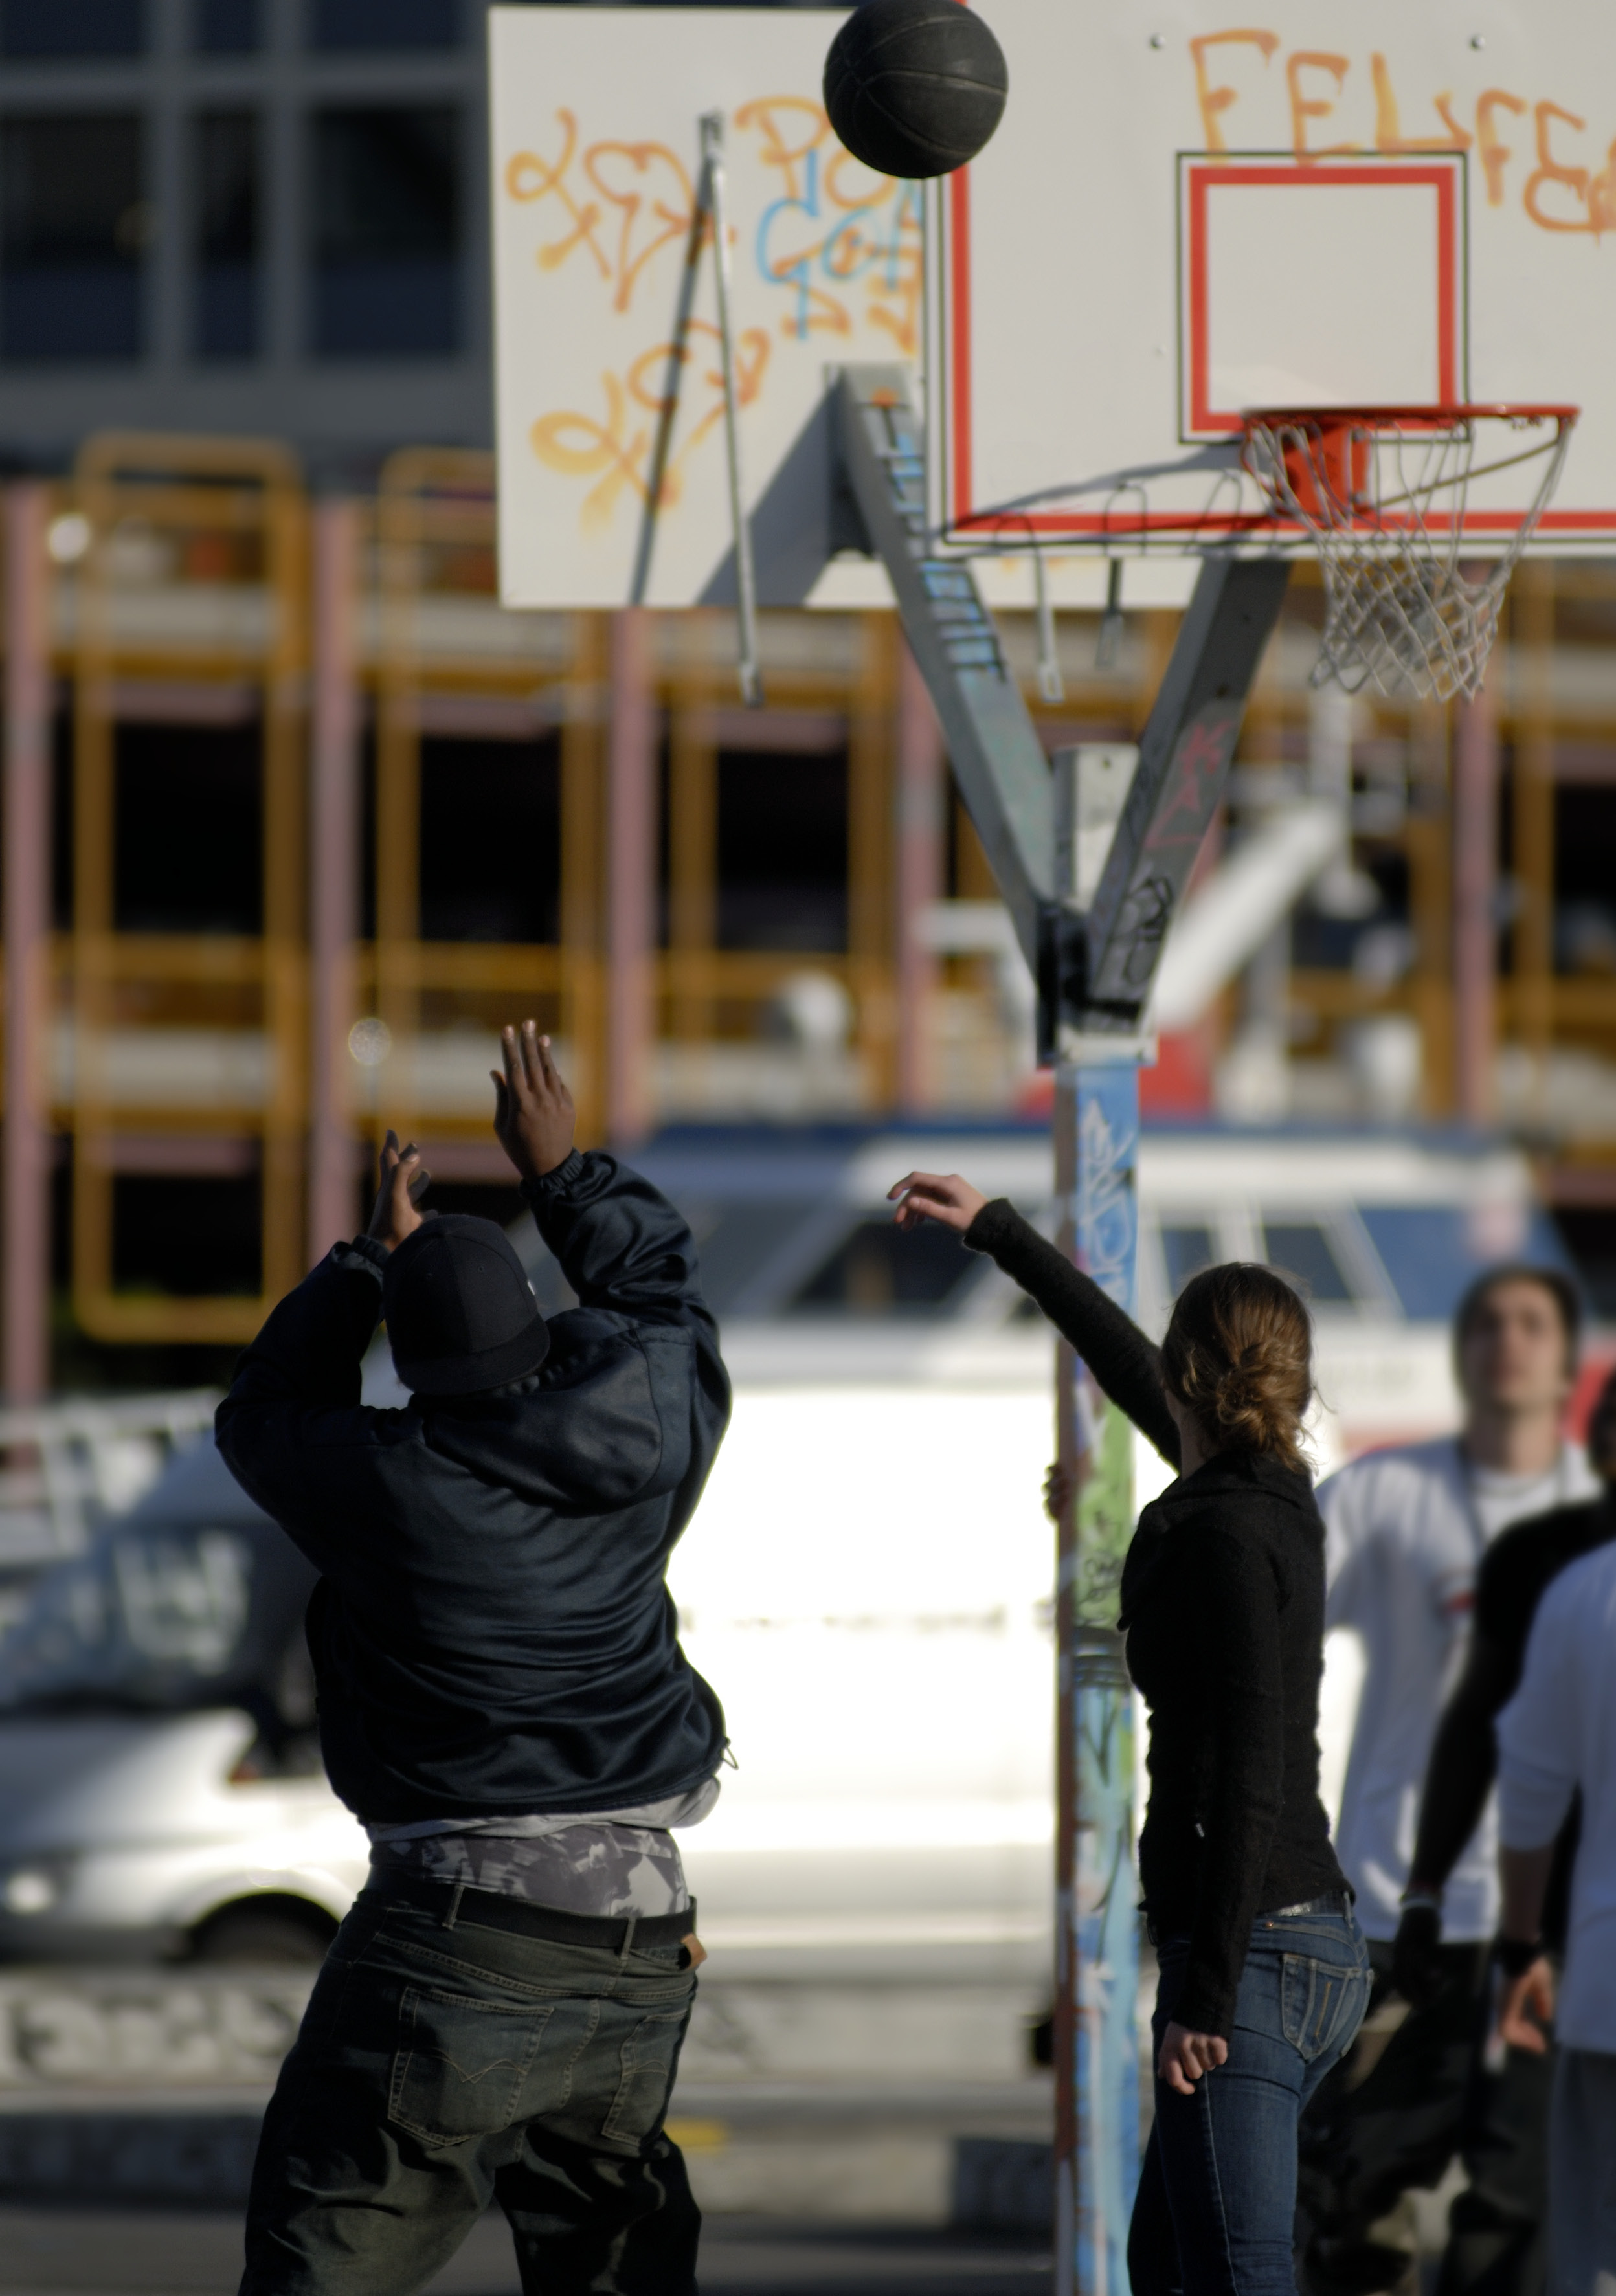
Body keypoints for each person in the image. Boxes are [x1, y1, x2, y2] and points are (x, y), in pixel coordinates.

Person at [217, 1023, 731, 2296]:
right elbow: (661, 1296)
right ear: (532, 1332)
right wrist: (560, 1173)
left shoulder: (391, 1482)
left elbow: (263, 1415)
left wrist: (359, 1265)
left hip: (459, 1936)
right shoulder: (647, 1419)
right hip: (638, 1936)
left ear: (415, 1363)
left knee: (324, 2249)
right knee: (616, 2266)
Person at [888, 1168, 1369, 2296]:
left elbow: (1249, 1769)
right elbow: (1124, 1364)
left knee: (1240, 2275)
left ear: (1193, 1372)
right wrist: (1002, 1235)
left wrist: (1203, 2003)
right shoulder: (1270, 1495)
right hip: (1295, 1940)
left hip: (1251, 1955)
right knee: (1167, 2265)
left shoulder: (1221, 1534)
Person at [1298, 1267, 1597, 2296]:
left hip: (1537, 1931)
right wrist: (1117, 1534)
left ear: (1567, 1359)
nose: (1507, 1342)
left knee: (1511, 2218)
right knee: (1343, 2188)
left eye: (1533, 1324)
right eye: (1489, 1323)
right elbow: (1260, 1568)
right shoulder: (1389, 1490)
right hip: (1389, 1910)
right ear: (1463, 1353)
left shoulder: (1587, 1521)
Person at [1491, 1533, 1616, 2296]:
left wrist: (1518, 1946)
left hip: (1608, 1988)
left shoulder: (1587, 1591)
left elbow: (1530, 1793)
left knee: (1599, 2252)